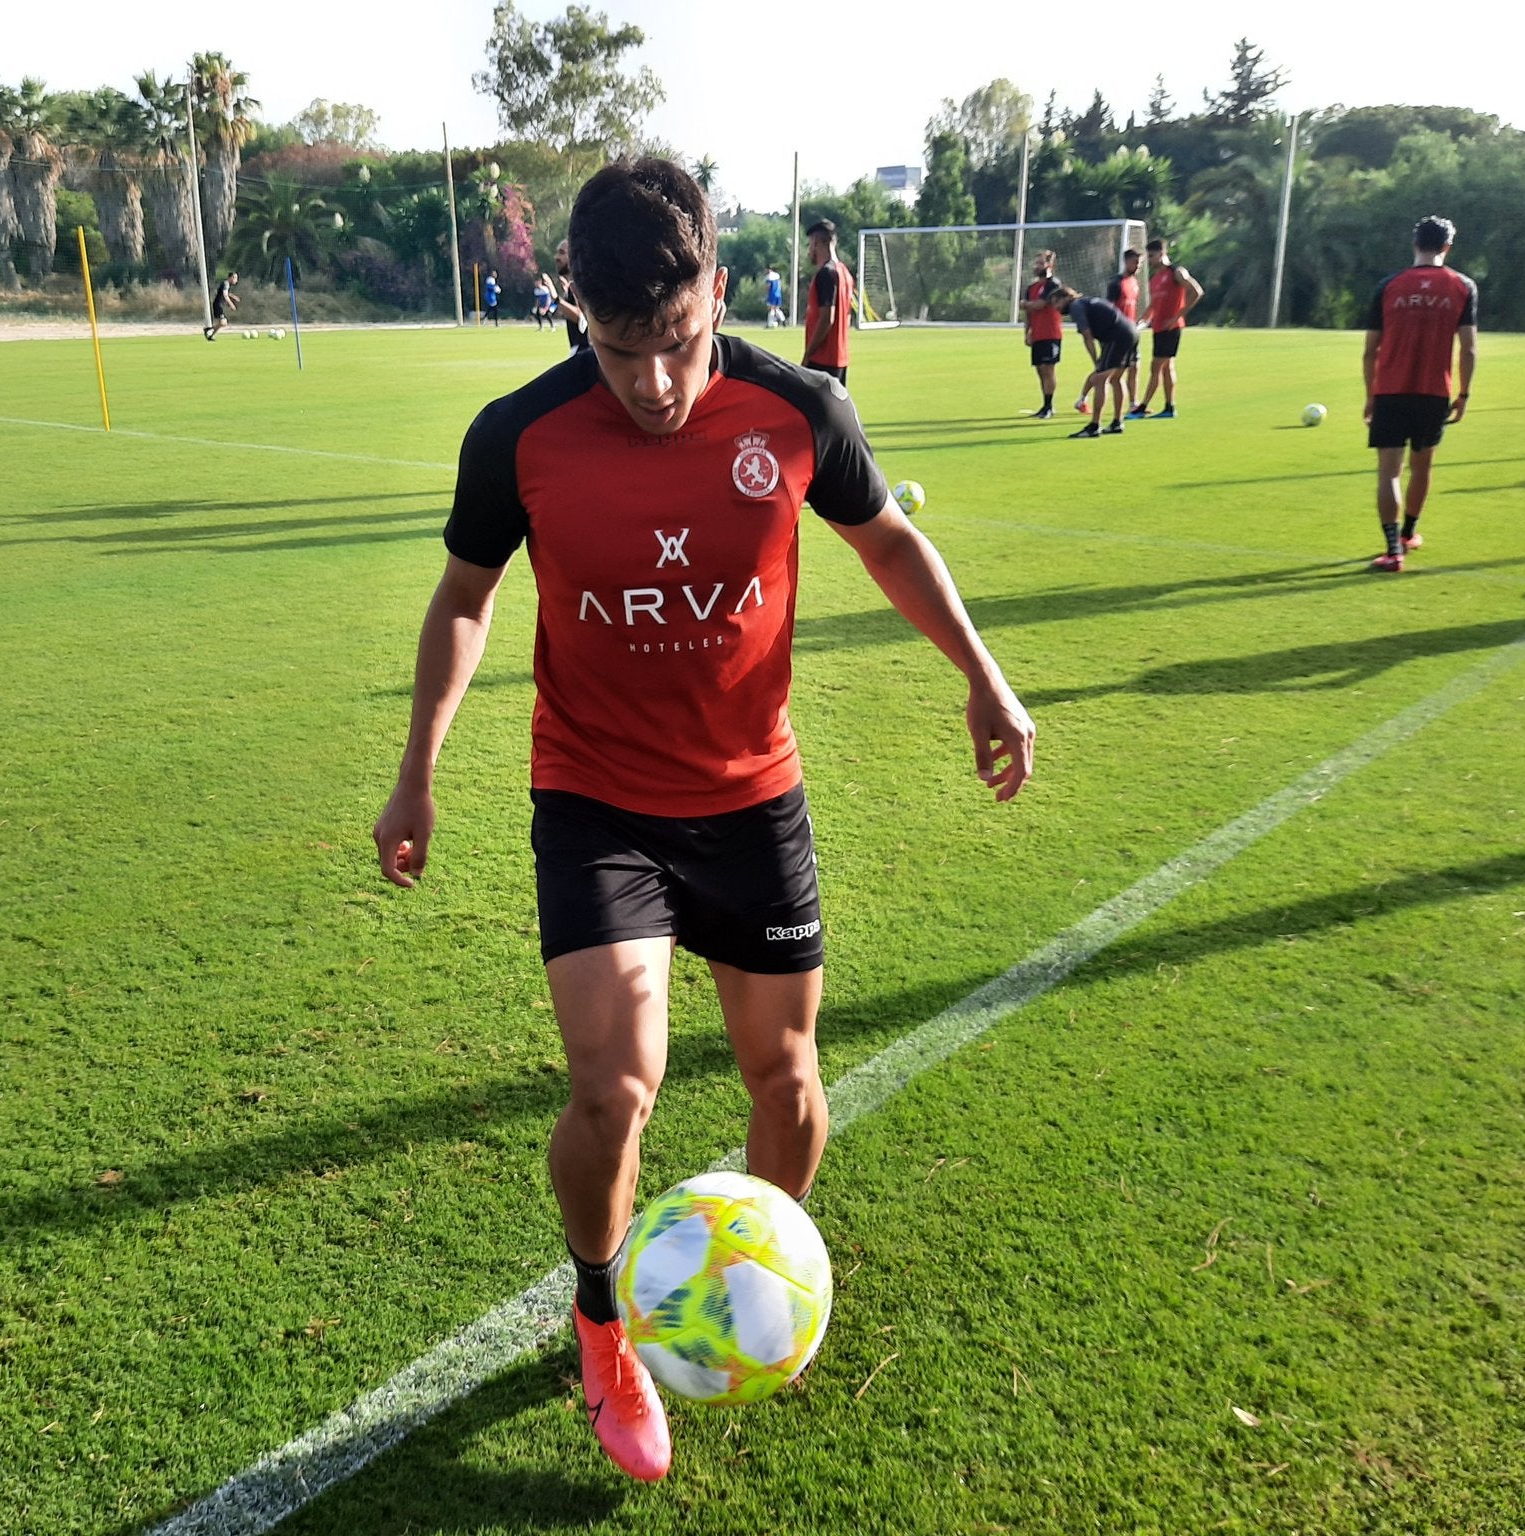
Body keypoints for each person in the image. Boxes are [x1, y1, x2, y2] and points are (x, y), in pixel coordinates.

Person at [371, 157, 1034, 1485]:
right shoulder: (521, 434)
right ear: (577, 312)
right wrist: (417, 769)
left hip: (750, 798)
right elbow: (463, 599)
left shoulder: (798, 409)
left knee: (786, 1080)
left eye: (675, 344)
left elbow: (888, 540)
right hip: (596, 800)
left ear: (717, 293)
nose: (655, 383)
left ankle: (751, 1277)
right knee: (615, 1086)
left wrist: (983, 673)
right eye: (621, 352)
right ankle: (605, 1321)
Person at [1362, 215, 1478, 573]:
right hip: (1433, 393)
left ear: (1415, 244)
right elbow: (1469, 349)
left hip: (1390, 392)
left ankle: (1393, 549)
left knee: (1389, 473)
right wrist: (1464, 395)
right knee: (1422, 466)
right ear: (1447, 247)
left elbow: (1370, 350)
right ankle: (1410, 533)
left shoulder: (1389, 286)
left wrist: (1371, 395)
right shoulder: (1463, 286)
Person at [1048, 286, 1137, 438]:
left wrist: (1096, 361)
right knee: (1116, 379)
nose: (1056, 309)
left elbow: (1087, 335)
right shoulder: (1086, 302)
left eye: (1056, 303)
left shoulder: (1076, 306)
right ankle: (1117, 422)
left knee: (1099, 379)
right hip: (1130, 332)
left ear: (1065, 298)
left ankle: (1094, 425)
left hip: (1118, 337)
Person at [1128, 239, 1202, 418]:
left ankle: (1142, 406)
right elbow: (1154, 305)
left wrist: (1177, 317)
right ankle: (1169, 407)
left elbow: (1196, 291)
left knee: (1156, 367)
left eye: (1152, 256)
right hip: (1159, 328)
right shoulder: (1155, 279)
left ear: (1162, 254)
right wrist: (1140, 321)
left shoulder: (1176, 272)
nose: (1150, 261)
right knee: (1167, 367)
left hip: (1171, 328)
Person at [1076, 248, 1142, 415]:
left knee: (1133, 367)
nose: (1138, 265)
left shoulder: (1134, 282)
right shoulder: (1116, 283)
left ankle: (1134, 403)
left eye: (1140, 262)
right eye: (1135, 262)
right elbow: (1109, 307)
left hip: (1130, 333)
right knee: (1105, 371)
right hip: (1115, 334)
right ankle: (1082, 398)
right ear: (1126, 261)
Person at [800, 218, 853, 384]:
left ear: (816, 242)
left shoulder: (826, 273)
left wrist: (808, 354)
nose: (809, 251)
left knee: (813, 409)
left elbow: (827, 318)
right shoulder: (844, 272)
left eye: (810, 245)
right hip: (840, 357)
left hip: (823, 359)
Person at [1020, 250, 1062, 417]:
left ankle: (1049, 406)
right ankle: (1044, 404)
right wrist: (1027, 332)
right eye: (1036, 263)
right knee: (1039, 370)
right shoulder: (1031, 288)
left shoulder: (1053, 285)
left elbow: (1041, 304)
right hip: (1037, 333)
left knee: (1048, 369)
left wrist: (1026, 304)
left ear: (1050, 265)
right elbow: (1029, 312)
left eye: (1041, 263)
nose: (1037, 266)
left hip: (1051, 333)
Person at [554, 238, 587, 354]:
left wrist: (556, 299)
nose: (557, 257)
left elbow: (582, 318)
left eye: (562, 253)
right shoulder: (573, 285)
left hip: (583, 351)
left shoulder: (582, 284)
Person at [205, 272, 239, 340]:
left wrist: (233, 296)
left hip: (219, 304)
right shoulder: (226, 284)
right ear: (230, 277)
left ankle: (210, 334)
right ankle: (208, 330)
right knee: (223, 323)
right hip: (218, 305)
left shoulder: (226, 284)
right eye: (235, 278)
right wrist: (231, 304)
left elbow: (225, 293)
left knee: (223, 323)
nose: (236, 280)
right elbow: (225, 295)